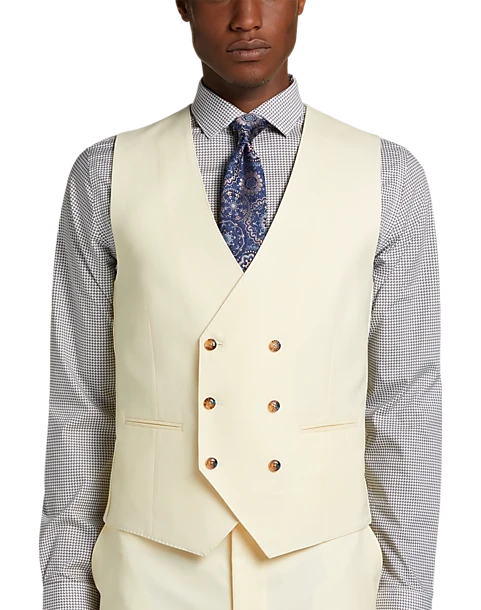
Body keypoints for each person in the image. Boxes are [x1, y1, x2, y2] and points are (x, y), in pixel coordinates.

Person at [39, 0, 442, 608]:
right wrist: (66, 592)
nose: (247, 17)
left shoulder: (388, 175)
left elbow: (406, 400)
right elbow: (81, 401)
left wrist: (409, 595)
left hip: (323, 572)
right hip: (152, 570)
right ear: (183, 7)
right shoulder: (106, 174)